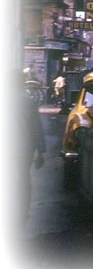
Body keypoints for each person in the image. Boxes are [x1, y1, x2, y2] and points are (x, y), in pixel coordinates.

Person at [16, 70, 46, 221]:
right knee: (22, 179)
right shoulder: (28, 101)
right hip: (23, 149)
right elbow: (36, 127)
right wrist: (40, 151)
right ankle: (22, 212)